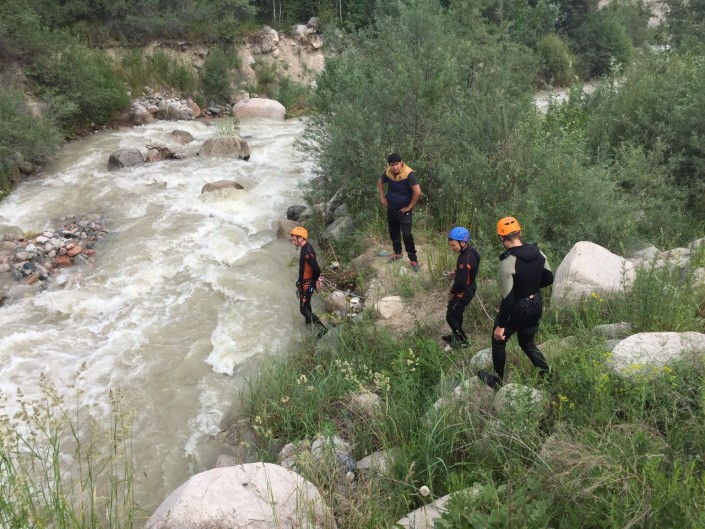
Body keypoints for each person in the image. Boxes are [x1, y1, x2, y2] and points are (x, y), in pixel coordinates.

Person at [478, 217, 554, 390]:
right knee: (527, 344)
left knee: (498, 341)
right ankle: (548, 377)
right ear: (519, 232)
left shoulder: (507, 262)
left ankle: (497, 381)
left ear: (501, 237)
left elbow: (508, 299)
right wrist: (531, 286)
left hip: (518, 308)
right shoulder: (538, 252)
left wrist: (500, 326)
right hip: (536, 303)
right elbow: (549, 278)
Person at [377, 153, 422, 271]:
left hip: (404, 210)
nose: (395, 167)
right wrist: (382, 197)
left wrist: (410, 206)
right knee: (394, 232)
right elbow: (380, 182)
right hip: (391, 208)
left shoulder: (409, 174)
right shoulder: (388, 172)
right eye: (392, 165)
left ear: (401, 162)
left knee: (407, 235)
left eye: (397, 164)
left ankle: (413, 260)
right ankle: (397, 253)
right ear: (389, 165)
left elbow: (417, 191)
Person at [443, 227, 481, 348]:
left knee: (451, 316)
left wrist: (452, 291)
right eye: (450, 245)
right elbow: (469, 271)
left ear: (463, 243)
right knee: (457, 313)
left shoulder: (464, 259)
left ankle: (463, 342)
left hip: (463, 292)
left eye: (453, 245)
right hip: (470, 287)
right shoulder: (472, 251)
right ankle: (456, 336)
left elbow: (461, 282)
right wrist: (457, 272)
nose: (451, 248)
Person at [290, 226, 327, 337]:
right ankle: (308, 323)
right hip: (305, 282)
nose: (292, 242)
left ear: (301, 238)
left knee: (303, 310)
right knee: (307, 305)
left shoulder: (307, 252)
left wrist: (316, 281)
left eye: (294, 239)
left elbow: (316, 268)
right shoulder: (306, 248)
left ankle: (323, 330)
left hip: (308, 284)